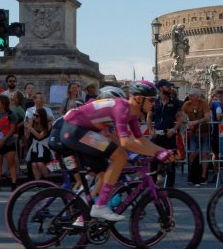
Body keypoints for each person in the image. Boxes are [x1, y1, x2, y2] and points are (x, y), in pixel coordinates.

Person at [58, 82, 174, 221]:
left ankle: (83, 216)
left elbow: (140, 140)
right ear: (139, 98)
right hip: (74, 129)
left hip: (81, 131)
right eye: (151, 100)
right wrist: (156, 153)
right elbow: (125, 142)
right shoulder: (122, 108)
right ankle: (99, 207)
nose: (154, 104)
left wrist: (164, 151)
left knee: (104, 173)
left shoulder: (133, 114)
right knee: (119, 156)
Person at [0, 94, 21, 191]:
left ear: (3, 104)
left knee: (11, 163)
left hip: (9, 142)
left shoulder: (11, 114)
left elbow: (12, 129)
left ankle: (14, 183)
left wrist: (3, 140)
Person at [25, 107, 52, 181]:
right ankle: (38, 182)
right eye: (34, 115)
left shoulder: (48, 125)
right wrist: (27, 128)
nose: (34, 117)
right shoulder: (33, 124)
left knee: (40, 164)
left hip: (44, 148)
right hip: (34, 147)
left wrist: (31, 129)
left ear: (42, 116)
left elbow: (40, 136)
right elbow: (27, 137)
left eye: (37, 116)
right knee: (34, 164)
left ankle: (46, 180)